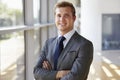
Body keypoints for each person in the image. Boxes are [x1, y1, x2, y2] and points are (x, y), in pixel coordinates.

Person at [33, 1, 93, 80]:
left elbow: (76, 77)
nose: (62, 19)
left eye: (66, 15)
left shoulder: (85, 45)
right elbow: (36, 72)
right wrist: (59, 74)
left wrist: (48, 75)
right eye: (59, 15)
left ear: (74, 18)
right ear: (55, 18)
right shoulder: (48, 43)